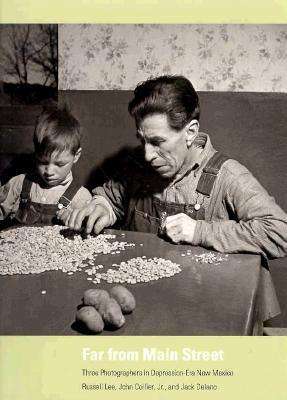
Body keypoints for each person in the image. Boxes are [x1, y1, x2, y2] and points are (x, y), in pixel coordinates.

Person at [58, 75, 287, 321]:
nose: (147, 155)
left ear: (191, 132)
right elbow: (111, 198)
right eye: (142, 140)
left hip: (213, 309)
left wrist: (200, 231)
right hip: (150, 302)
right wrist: (102, 206)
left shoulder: (227, 175)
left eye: (157, 142)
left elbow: (279, 232)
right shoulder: (138, 166)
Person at [0, 106, 91, 226]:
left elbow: (87, 235)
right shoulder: (19, 183)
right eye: (42, 162)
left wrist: (76, 222)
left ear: (76, 155)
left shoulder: (81, 197)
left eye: (59, 164)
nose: (49, 171)